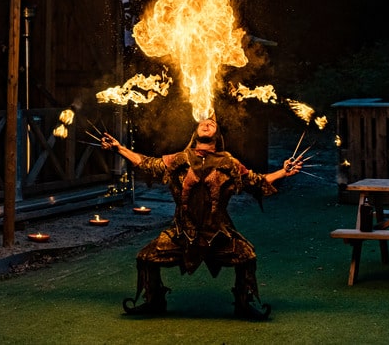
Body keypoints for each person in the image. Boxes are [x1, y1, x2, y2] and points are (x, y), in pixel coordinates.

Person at [100, 114, 303, 320]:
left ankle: (243, 304)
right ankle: (155, 302)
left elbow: (256, 181)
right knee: (146, 257)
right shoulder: (178, 159)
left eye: (212, 124)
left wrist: (283, 172)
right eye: (202, 123)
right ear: (194, 133)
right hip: (182, 234)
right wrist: (119, 148)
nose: (206, 124)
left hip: (217, 235)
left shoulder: (229, 162)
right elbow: (148, 163)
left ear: (218, 135)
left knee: (246, 256)